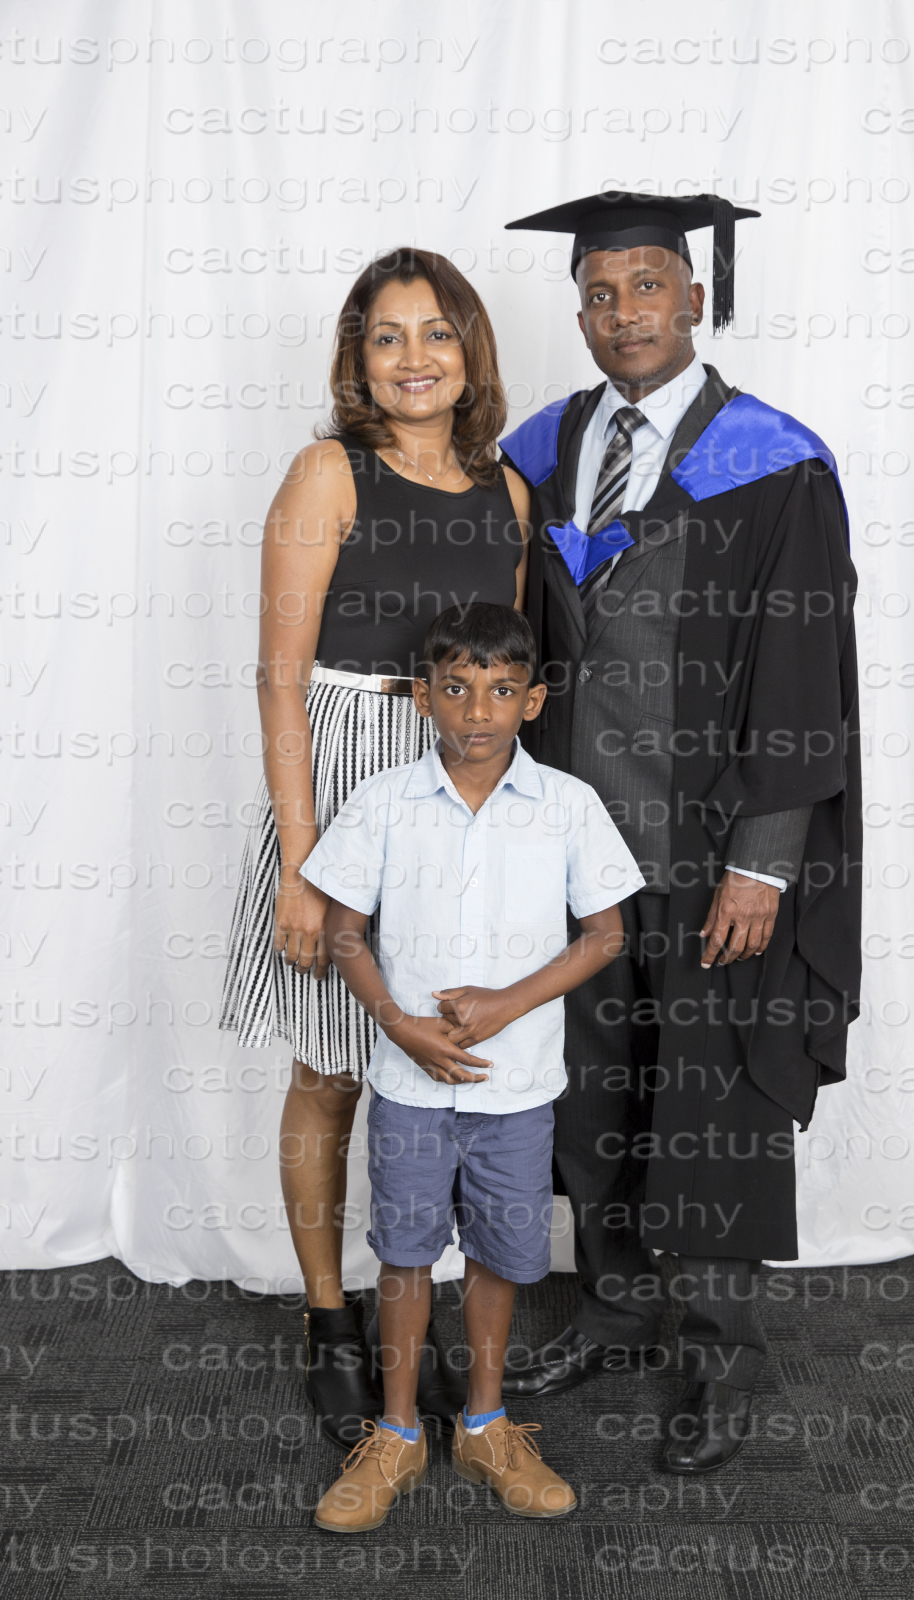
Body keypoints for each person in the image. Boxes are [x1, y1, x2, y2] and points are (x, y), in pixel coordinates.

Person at [496, 192, 862, 1473]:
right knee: (590, 1088)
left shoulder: (774, 465)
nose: (622, 313)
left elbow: (804, 676)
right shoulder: (543, 450)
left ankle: (717, 1350)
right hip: (571, 850)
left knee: (709, 1102)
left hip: (711, 853)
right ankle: (611, 1307)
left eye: (647, 285)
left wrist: (766, 859)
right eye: (598, 294)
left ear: (695, 298)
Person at [220, 249, 532, 1448]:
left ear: (470, 351)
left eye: (436, 332)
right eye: (386, 335)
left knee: (439, 1060)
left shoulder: (505, 493)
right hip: (345, 783)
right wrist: (308, 868)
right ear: (357, 357)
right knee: (333, 1066)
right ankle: (326, 1314)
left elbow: (499, 672)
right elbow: (280, 681)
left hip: (452, 788)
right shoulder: (327, 473)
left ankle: (420, 1304)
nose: (414, 358)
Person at [299, 603, 645, 1532]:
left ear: (533, 701)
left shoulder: (568, 804)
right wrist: (401, 1028)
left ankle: (487, 1425)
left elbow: (605, 935)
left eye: (501, 690)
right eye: (456, 688)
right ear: (423, 698)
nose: (478, 710)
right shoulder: (382, 801)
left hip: (516, 1088)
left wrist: (504, 1004)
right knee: (406, 1252)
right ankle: (398, 1433)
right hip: (409, 1085)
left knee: (502, 1252)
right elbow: (344, 933)